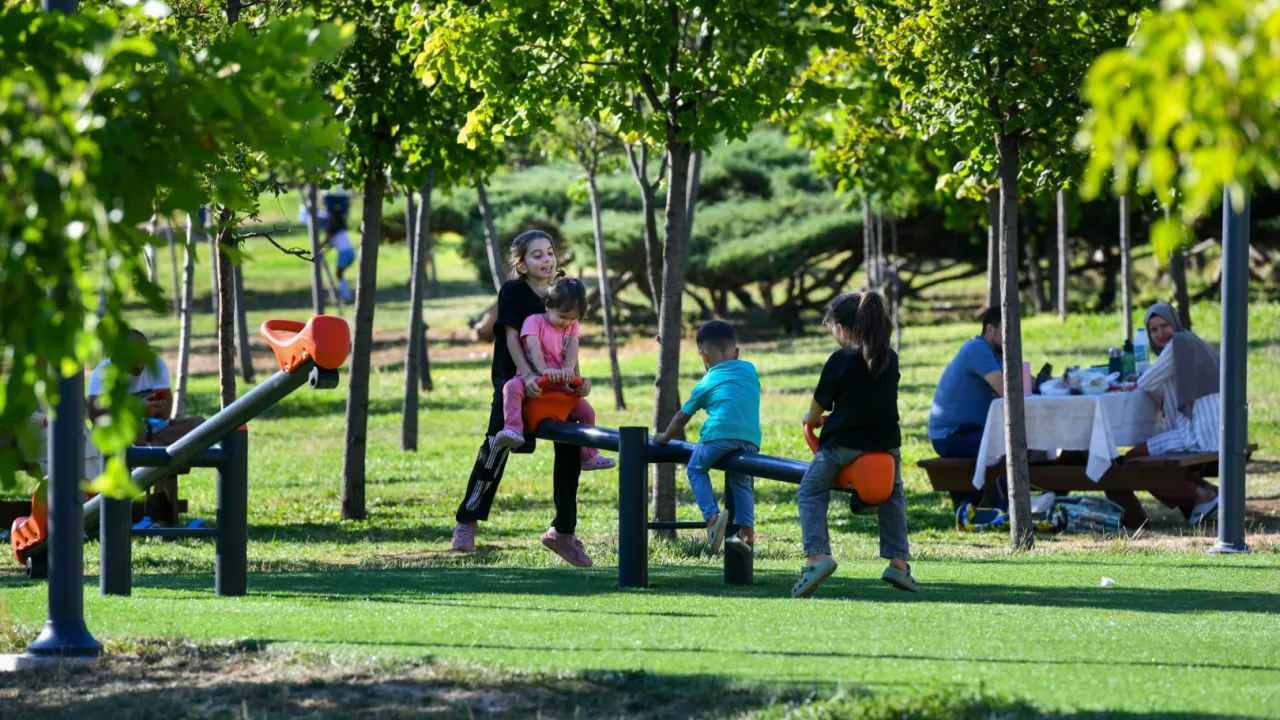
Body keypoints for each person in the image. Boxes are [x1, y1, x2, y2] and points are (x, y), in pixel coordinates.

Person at [450, 230, 593, 567]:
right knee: (496, 446)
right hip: (515, 378)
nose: (547, 260)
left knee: (571, 445)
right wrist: (526, 374)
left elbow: (570, 339)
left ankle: (563, 532)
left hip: (556, 382)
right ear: (522, 264)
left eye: (550, 252)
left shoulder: (563, 289)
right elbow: (513, 338)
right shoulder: (513, 291)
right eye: (537, 255)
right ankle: (467, 520)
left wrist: (575, 380)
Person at [792, 292, 915, 598]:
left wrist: (811, 419)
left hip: (843, 445)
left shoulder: (840, 359)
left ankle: (817, 556)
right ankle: (898, 563)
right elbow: (869, 400)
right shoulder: (890, 357)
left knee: (810, 489)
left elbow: (819, 405)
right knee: (893, 496)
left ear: (843, 329)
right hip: (886, 446)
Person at [653, 321, 761, 553]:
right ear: (737, 352)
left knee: (696, 469)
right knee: (741, 481)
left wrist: (664, 436)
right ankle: (747, 532)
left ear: (703, 355)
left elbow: (683, 415)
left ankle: (712, 518)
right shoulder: (750, 369)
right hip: (750, 439)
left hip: (718, 435)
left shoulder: (707, 381)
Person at [493, 276, 616, 472]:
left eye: (572, 319)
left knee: (587, 412)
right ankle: (513, 429)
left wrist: (571, 372)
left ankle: (589, 456)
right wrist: (543, 371)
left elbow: (573, 350)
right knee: (511, 388)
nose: (566, 323)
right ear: (548, 306)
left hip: (559, 384)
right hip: (534, 379)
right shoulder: (534, 322)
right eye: (562, 316)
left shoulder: (572, 326)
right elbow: (534, 349)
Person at [1118, 303, 1220, 525]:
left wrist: (1139, 379)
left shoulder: (1178, 345)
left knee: (1133, 460)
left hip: (1198, 432)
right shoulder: (1189, 341)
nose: (1160, 334)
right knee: (1144, 460)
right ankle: (1208, 491)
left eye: (1164, 326)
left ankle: (1199, 495)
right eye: (1153, 330)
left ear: (1175, 323)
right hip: (1211, 428)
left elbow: (1147, 382)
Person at [88, 330, 204, 524]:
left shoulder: (156, 365)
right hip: (121, 434)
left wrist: (154, 408)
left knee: (200, 425)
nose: (140, 366)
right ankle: (159, 509)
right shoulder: (104, 372)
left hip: (154, 429)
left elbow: (165, 413)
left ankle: (163, 464)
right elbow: (96, 416)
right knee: (162, 450)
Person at [928, 307, 1005, 510]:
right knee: (1006, 447)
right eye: (1007, 331)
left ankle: (980, 505)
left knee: (1011, 443)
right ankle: (1004, 510)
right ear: (990, 328)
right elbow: (1007, 390)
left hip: (971, 431)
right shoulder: (977, 349)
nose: (1012, 338)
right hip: (952, 434)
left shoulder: (996, 355)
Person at [326, 211, 356, 303]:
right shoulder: (341, 231)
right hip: (351, 251)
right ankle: (345, 294)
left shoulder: (332, 233)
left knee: (339, 274)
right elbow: (329, 246)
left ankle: (346, 296)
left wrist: (318, 252)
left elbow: (326, 245)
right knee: (340, 274)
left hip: (344, 253)